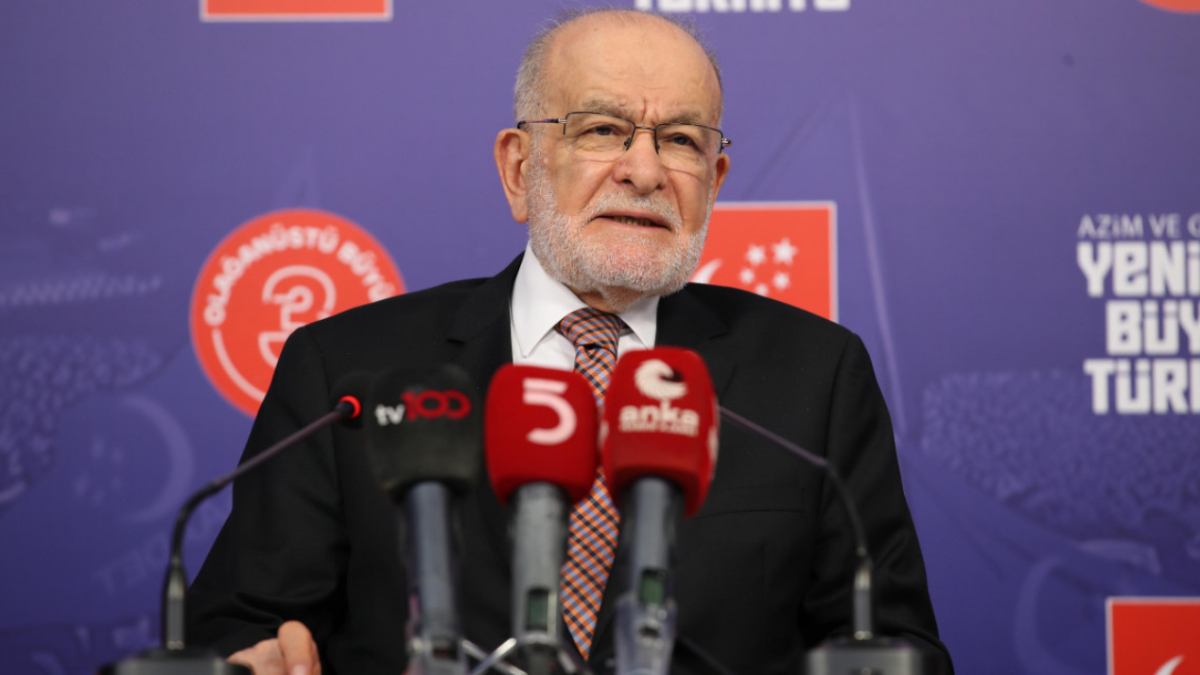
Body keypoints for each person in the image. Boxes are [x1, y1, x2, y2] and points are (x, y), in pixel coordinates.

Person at [187, 8, 953, 675]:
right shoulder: (348, 371)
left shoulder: (814, 376)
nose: (645, 171)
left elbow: (894, 646)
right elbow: (237, 628)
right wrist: (255, 659)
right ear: (520, 168)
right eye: (603, 130)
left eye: (680, 140)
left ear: (715, 180)